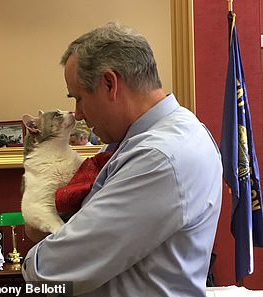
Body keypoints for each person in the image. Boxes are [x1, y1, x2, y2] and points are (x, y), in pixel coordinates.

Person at [22, 22, 222, 297]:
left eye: (79, 98)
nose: (77, 114)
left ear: (109, 83)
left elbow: (52, 270)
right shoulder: (158, 137)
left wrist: (33, 258)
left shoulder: (159, 157)